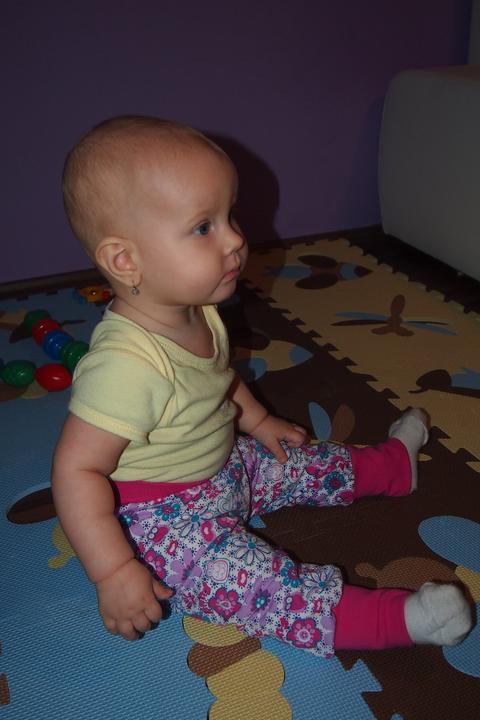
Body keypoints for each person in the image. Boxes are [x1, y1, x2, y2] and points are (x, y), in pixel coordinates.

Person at [52, 116, 472, 657]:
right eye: (203, 227)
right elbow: (76, 470)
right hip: (163, 524)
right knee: (257, 585)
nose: (235, 238)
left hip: (223, 467)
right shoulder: (124, 366)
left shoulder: (196, 309)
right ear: (126, 260)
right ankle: (395, 620)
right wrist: (113, 570)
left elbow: (218, 382)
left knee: (298, 460)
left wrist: (259, 420)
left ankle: (391, 466)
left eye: (229, 216)